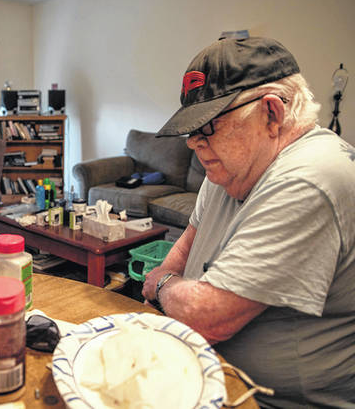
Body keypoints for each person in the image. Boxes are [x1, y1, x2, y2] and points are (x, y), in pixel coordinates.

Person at [141, 37, 355, 407]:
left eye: (207, 126)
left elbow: (209, 318)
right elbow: (191, 237)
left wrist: (161, 285)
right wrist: (159, 298)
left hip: (270, 400)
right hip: (205, 374)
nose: (193, 144)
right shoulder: (228, 169)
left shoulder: (311, 177)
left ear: (272, 113)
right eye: (191, 131)